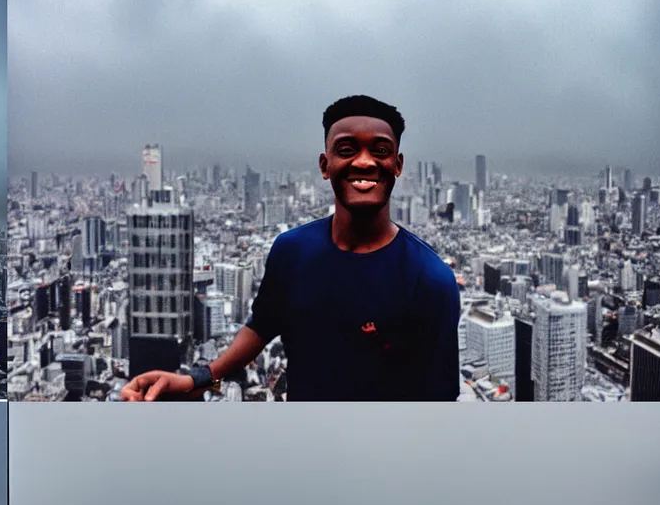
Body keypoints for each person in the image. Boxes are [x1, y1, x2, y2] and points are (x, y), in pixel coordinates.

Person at [120, 95, 460, 401]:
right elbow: (263, 324)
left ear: (397, 165)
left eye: (380, 151)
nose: (364, 162)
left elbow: (437, 401)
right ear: (325, 165)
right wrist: (199, 379)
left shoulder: (430, 280)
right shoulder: (292, 250)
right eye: (346, 150)